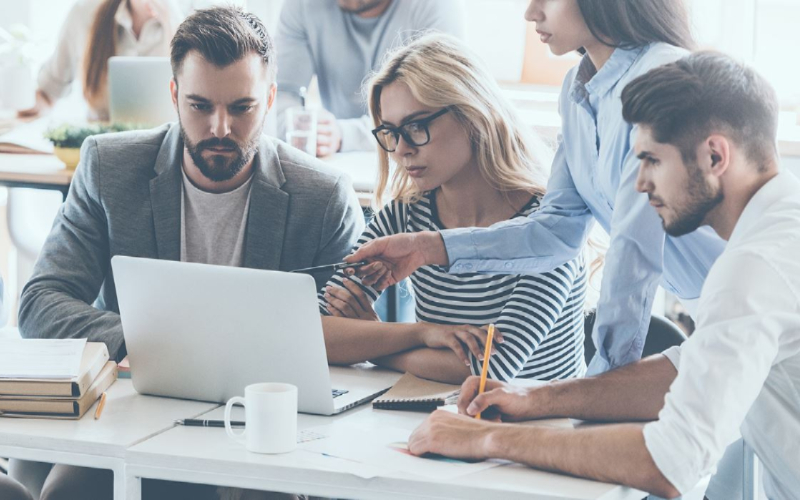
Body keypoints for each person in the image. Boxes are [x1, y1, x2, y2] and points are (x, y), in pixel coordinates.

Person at [406, 52, 800, 499]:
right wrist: (535, 399)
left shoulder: (753, 268)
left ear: (714, 155)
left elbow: (670, 463)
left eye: (651, 160)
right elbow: (690, 368)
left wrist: (484, 440)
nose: (639, 184)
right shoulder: (780, 230)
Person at [16, 7, 362, 500]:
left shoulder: (323, 196)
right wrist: (145, 342)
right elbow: (40, 301)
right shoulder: (108, 167)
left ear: (269, 99)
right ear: (174, 95)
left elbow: (341, 335)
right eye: (200, 106)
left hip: (268, 431)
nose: (220, 128)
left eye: (241, 107)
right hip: (136, 414)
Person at [347, 0, 725, 375]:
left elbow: (634, 260)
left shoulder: (658, 77)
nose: (530, 13)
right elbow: (555, 231)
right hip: (716, 312)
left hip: (747, 300)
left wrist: (601, 389)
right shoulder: (577, 90)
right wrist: (429, 247)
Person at [319, 34, 588, 385]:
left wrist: (372, 338)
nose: (401, 149)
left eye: (416, 126)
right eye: (390, 131)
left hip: (545, 427)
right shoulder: (406, 216)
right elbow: (320, 333)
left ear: (471, 114)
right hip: (443, 418)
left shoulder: (549, 227)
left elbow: (489, 369)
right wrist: (422, 333)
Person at [275, 0, 465, 157]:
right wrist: (309, 128)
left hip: (414, 156)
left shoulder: (436, 6)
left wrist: (344, 134)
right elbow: (280, 95)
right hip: (338, 160)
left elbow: (439, 112)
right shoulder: (300, 6)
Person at [18, 0, 183, 121]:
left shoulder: (186, 19)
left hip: (165, 148)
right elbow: (48, 93)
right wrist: (20, 103)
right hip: (100, 149)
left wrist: (170, 22)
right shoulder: (84, 15)